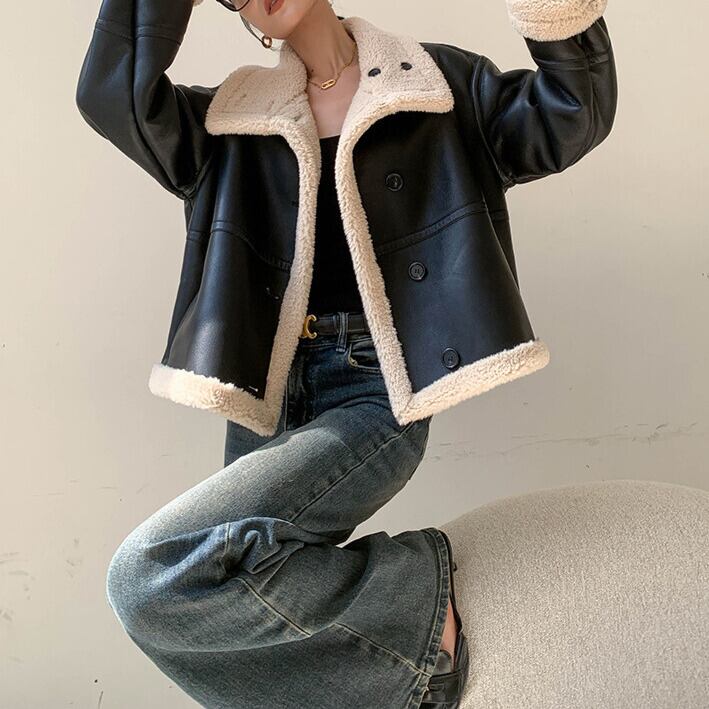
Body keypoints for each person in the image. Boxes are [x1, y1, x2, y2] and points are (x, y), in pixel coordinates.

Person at [75, 0, 617, 706]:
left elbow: (573, 108)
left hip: (376, 389)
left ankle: (416, 596)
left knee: (151, 575)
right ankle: (410, 647)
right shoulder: (232, 118)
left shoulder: (436, 84)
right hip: (270, 394)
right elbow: (111, 96)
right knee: (196, 589)